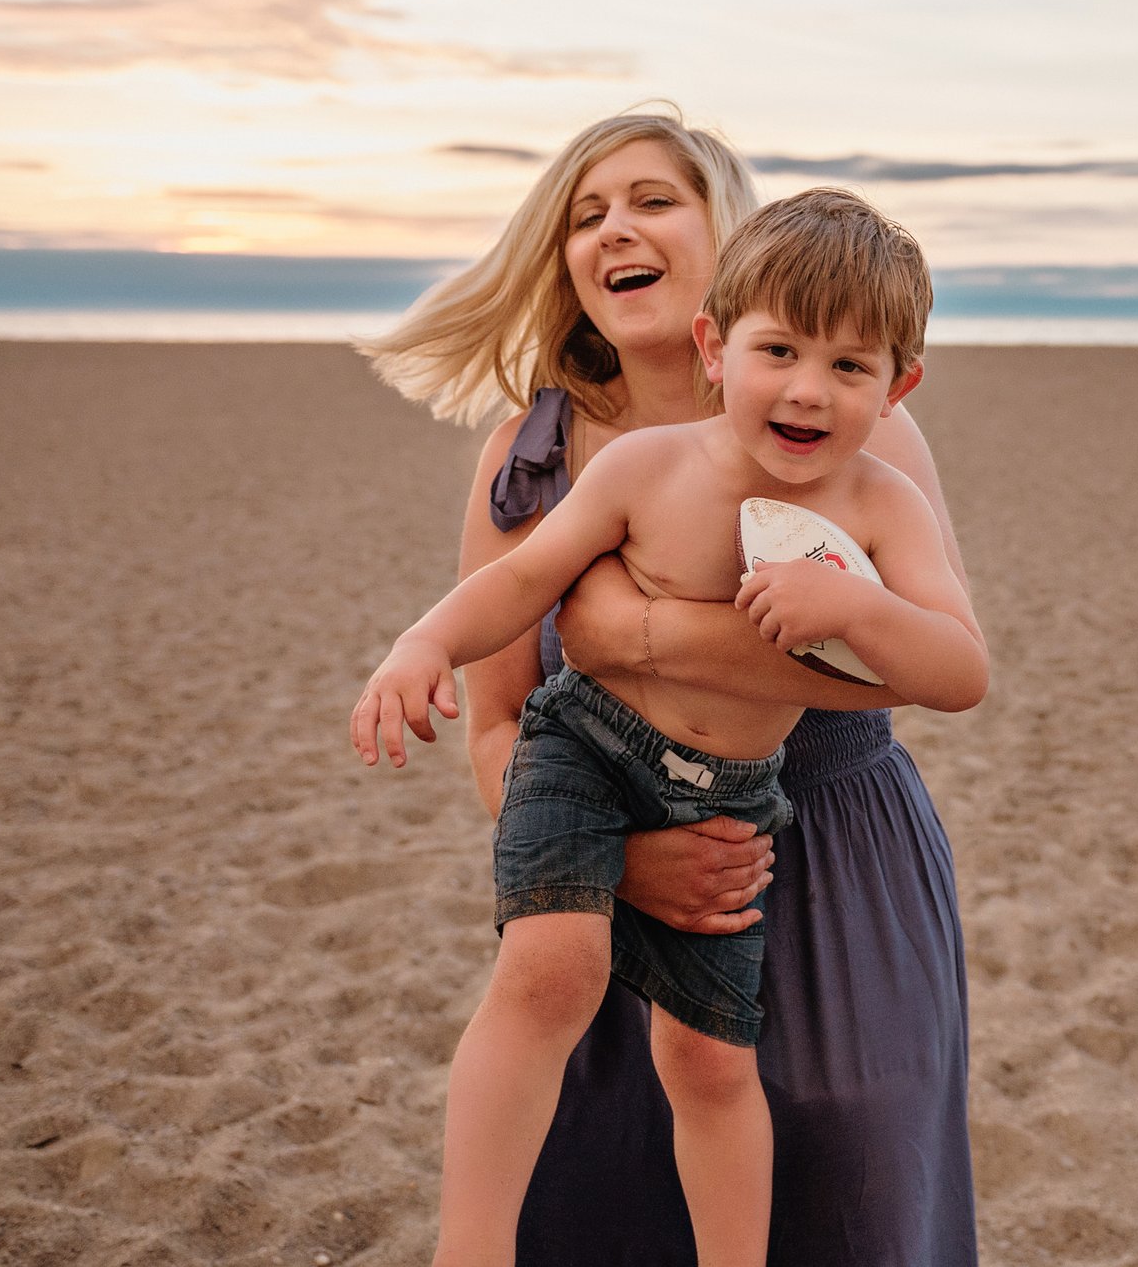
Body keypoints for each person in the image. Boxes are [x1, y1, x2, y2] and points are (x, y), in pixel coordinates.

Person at [359, 110, 980, 1267]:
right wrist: (627, 864)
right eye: (585, 215)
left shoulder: (858, 435)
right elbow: (495, 722)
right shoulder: (530, 457)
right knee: (608, 1184)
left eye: (651, 199)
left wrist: (636, 625)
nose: (615, 230)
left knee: (855, 1161)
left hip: (828, 842)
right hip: (607, 863)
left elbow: (881, 683)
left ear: (720, 234)